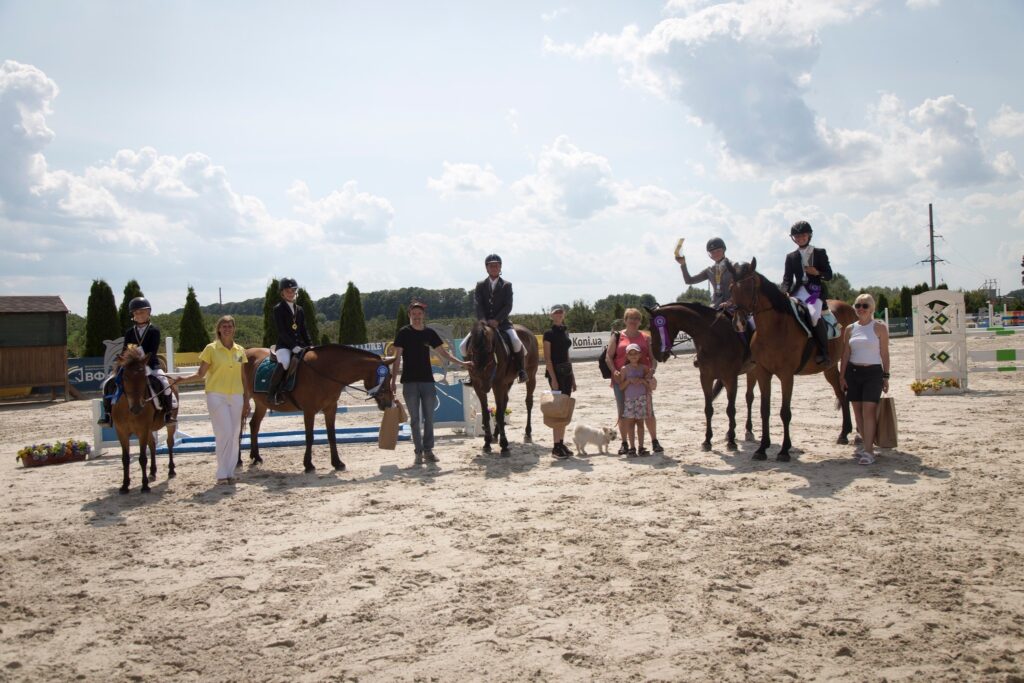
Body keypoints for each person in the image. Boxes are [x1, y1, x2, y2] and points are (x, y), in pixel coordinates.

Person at [391, 300, 470, 466]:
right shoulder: (403, 333)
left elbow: (444, 353)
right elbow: (397, 357)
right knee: (414, 419)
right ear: (409, 315)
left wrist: (463, 364)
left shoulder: (429, 333)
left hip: (427, 381)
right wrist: (393, 381)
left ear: (424, 315)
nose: (417, 317)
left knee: (429, 417)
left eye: (420, 314)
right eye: (414, 314)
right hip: (409, 382)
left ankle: (428, 451)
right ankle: (418, 452)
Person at [173, 316, 251, 484]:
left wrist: (246, 400)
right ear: (219, 329)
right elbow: (201, 374)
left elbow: (243, 376)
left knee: (234, 433)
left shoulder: (240, 350)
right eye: (224, 326)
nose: (227, 328)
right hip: (216, 395)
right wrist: (182, 379)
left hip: (236, 395)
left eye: (230, 326)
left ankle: (230, 472)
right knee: (224, 433)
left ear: (234, 328)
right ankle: (221, 473)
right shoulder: (211, 349)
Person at [97, 296, 176, 426]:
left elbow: (152, 350)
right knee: (108, 383)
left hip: (149, 363)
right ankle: (107, 414)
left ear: (148, 312)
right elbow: (126, 349)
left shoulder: (154, 330)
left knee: (164, 382)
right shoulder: (129, 332)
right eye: (136, 312)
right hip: (131, 366)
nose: (139, 315)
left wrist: (141, 359)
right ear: (133, 315)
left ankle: (168, 414)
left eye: (142, 312)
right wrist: (123, 359)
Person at [839, 293, 890, 465]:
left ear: (871, 309)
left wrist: (886, 376)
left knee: (868, 411)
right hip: (853, 373)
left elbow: (884, 353)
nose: (861, 308)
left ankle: (869, 451)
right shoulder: (850, 329)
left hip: (873, 373)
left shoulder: (879, 328)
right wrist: (841, 375)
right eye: (858, 305)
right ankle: (866, 444)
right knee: (858, 412)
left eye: (865, 306)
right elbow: (846, 354)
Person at [605, 308, 663, 455]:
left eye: (636, 318)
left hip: (643, 379)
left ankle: (654, 441)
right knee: (623, 413)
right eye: (630, 318)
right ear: (625, 320)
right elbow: (608, 357)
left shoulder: (645, 337)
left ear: (640, 321)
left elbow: (653, 357)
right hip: (622, 380)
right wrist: (614, 371)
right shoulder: (617, 336)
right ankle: (625, 443)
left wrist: (652, 372)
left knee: (649, 412)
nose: (633, 321)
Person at [461, 254, 527, 383]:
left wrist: (497, 320)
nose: (494, 267)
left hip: (502, 323)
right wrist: (483, 320)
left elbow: (508, 305)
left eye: (496, 265)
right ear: (487, 268)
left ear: (500, 267)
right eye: (491, 265)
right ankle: (471, 373)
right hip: (483, 324)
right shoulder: (480, 285)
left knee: (516, 341)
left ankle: (521, 370)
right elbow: (478, 304)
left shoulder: (507, 285)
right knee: (463, 346)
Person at [675, 236, 736, 366]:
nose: (715, 254)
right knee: (700, 325)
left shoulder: (734, 266)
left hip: (733, 304)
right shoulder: (710, 270)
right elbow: (689, 280)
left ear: (724, 250)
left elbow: (740, 286)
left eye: (718, 250)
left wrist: (731, 301)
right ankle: (702, 353)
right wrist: (683, 265)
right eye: (712, 252)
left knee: (741, 324)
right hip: (715, 305)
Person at [782, 220, 833, 365]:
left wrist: (817, 272)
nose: (800, 238)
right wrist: (784, 292)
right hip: (798, 292)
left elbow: (829, 275)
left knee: (813, 314)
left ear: (809, 235)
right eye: (797, 236)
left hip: (814, 292)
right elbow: (787, 279)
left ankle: (824, 352)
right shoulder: (791, 256)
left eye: (803, 235)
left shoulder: (819, 253)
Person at [268, 277, 311, 405]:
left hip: (300, 345)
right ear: (282, 293)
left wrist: (310, 345)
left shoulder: (300, 309)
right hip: (284, 346)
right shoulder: (278, 309)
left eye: (293, 291)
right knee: (285, 363)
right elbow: (282, 332)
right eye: (288, 291)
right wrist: (293, 346)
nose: (290, 293)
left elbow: (304, 330)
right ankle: (273, 392)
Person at [543, 304, 576, 459]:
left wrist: (573, 377)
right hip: (556, 374)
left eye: (561, 312)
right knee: (557, 409)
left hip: (566, 373)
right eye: (555, 312)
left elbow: (567, 356)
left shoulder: (565, 332)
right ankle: (556, 446)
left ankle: (561, 443)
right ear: (551, 316)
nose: (558, 314)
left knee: (565, 409)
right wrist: (554, 379)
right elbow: (548, 359)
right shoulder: (548, 334)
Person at [619, 343, 653, 456]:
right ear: (627, 356)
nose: (633, 356)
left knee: (640, 424)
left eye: (636, 353)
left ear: (639, 355)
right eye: (631, 354)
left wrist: (642, 381)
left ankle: (641, 447)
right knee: (630, 424)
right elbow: (621, 387)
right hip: (629, 399)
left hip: (641, 399)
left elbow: (650, 385)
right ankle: (632, 447)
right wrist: (629, 381)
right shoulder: (624, 369)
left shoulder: (643, 368)